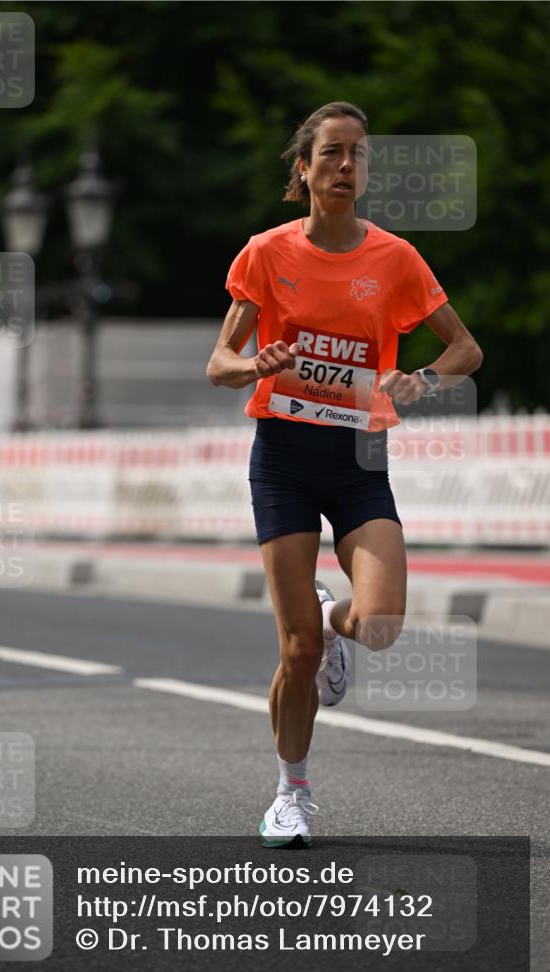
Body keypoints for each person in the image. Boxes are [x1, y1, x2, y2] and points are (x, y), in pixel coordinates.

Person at [206, 101, 483, 847]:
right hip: (285, 460)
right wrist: (253, 363)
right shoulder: (265, 253)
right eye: (330, 152)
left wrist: (418, 379)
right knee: (293, 651)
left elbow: (465, 350)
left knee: (382, 626)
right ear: (304, 168)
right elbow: (218, 364)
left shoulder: (393, 259)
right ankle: (289, 794)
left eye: (357, 153)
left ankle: (337, 622)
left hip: (360, 462)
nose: (344, 165)